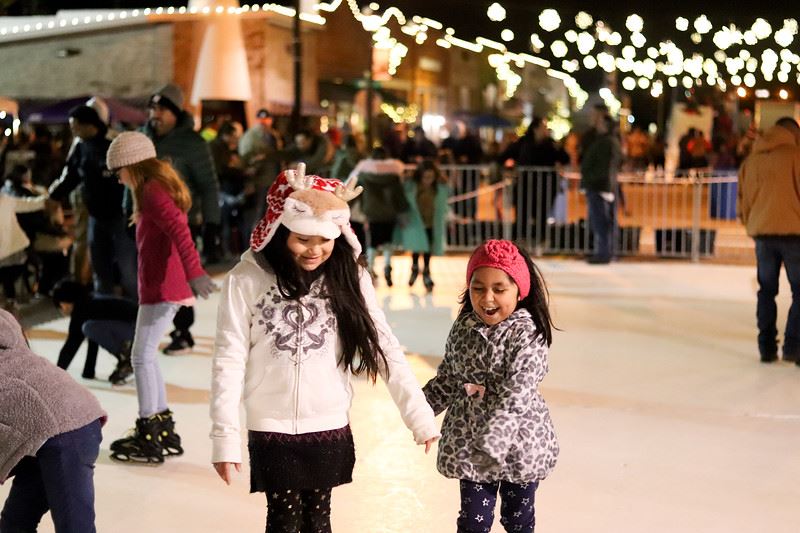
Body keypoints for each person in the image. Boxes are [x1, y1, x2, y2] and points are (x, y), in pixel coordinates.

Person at [210, 164, 439, 532]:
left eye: (325, 240)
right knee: (284, 521)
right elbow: (229, 357)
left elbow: (385, 348)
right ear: (280, 229)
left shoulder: (348, 276)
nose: (315, 250)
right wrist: (224, 437)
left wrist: (420, 416)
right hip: (272, 424)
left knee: (318, 521)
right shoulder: (246, 279)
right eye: (303, 239)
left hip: (328, 422)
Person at [423, 239, 559, 533]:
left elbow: (518, 391)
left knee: (517, 520)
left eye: (499, 289)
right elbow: (449, 378)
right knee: (472, 522)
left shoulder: (527, 334)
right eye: (478, 288)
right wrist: (419, 412)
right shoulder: (464, 328)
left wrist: (496, 437)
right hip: (471, 441)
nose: (487, 299)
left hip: (520, 444)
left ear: (520, 291)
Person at [105, 132, 218, 463]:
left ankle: (149, 431)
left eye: (119, 170)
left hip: (164, 288)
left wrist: (195, 272)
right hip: (160, 287)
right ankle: (159, 423)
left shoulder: (152, 191)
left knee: (140, 357)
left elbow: (180, 231)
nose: (117, 177)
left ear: (133, 166)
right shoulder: (150, 190)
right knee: (146, 356)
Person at [0, 308, 106, 533]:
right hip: (46, 433)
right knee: (15, 522)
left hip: (70, 430)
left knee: (74, 527)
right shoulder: (12, 345)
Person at [143, 83, 221, 353]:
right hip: (147, 225)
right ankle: (148, 330)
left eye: (162, 109)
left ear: (176, 113)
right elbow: (134, 180)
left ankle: (183, 331)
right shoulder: (145, 139)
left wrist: (212, 224)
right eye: (153, 108)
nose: (156, 114)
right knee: (151, 278)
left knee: (180, 278)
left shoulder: (192, 143)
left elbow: (209, 185)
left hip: (182, 222)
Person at [49, 105, 137, 299]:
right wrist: (54, 196)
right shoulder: (81, 146)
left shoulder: (114, 142)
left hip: (121, 217)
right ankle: (104, 309)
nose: (73, 131)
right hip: (96, 217)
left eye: (75, 126)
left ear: (89, 125)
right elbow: (71, 175)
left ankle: (135, 312)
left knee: (128, 269)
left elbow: (135, 177)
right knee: (100, 267)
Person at [738, 117, 800, 364]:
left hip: (763, 234)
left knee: (766, 291)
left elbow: (743, 200)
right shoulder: (796, 157)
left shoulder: (751, 161)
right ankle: (794, 346)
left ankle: (766, 347)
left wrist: (751, 223)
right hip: (795, 234)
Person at [51, 278, 138, 384]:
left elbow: (71, 346)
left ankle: (128, 359)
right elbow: (93, 340)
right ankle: (127, 357)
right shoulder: (90, 301)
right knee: (91, 328)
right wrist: (88, 371)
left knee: (88, 328)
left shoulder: (82, 310)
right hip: (136, 327)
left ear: (64, 303)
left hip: (135, 331)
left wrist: (56, 377)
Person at [348, 147, 409, 286]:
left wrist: (348, 206)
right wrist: (403, 210)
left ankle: (370, 267)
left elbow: (356, 191)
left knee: (373, 241)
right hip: (390, 211)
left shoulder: (364, 174)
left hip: (372, 211)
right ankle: (387, 267)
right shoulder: (393, 175)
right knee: (388, 241)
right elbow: (399, 195)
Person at [396, 160, 449, 292]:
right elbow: (403, 202)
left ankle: (426, 271)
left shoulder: (438, 188)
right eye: (425, 177)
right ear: (420, 176)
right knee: (416, 246)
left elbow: (443, 204)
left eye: (431, 177)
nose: (428, 180)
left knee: (427, 248)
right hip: (416, 222)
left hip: (431, 222)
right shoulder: (412, 187)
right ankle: (414, 268)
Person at [0, 172, 48, 314]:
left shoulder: (7, 200)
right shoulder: (7, 200)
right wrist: (46, 198)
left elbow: (29, 204)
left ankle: (10, 300)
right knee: (9, 272)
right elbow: (29, 204)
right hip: (15, 250)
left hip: (11, 250)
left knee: (7, 273)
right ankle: (11, 299)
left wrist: (45, 198)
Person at [580, 115, 621, 264]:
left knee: (601, 222)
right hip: (601, 185)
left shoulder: (606, 142)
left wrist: (590, 179)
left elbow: (604, 166)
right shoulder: (609, 141)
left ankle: (604, 253)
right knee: (603, 221)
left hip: (599, 186)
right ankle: (605, 252)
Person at [238, 108, 283, 235]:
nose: (264, 122)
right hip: (258, 181)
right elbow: (245, 160)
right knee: (255, 215)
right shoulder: (250, 136)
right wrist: (249, 181)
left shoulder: (273, 135)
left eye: (266, 119)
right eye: (261, 119)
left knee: (268, 214)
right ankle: (251, 245)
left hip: (273, 181)